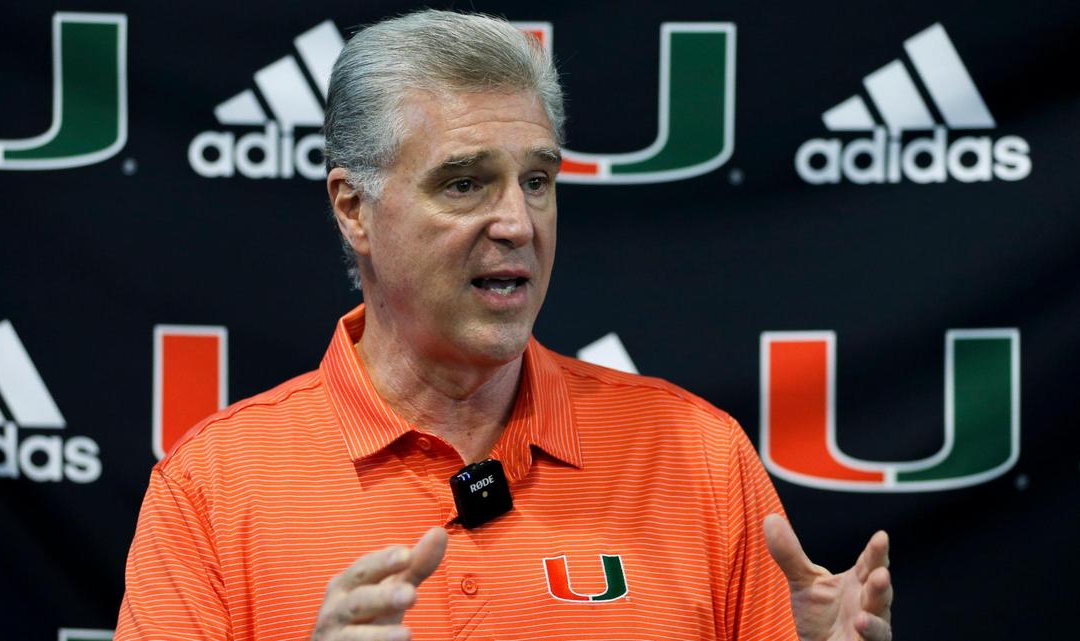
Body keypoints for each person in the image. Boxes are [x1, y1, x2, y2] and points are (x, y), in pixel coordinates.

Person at [115, 10, 892, 641]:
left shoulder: (700, 459)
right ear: (354, 208)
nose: (518, 222)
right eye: (464, 183)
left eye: (538, 180)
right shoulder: (210, 492)